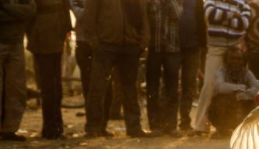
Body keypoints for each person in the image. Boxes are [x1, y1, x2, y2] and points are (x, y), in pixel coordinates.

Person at [83, 0, 151, 138]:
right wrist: (95, 43)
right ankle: (94, 127)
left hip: (130, 46)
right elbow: (89, 17)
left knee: (130, 89)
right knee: (98, 87)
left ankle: (134, 128)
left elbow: (143, 17)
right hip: (105, 45)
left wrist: (142, 43)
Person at [190, 0, 251, 136]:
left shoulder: (243, 2)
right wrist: (234, 15)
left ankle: (232, 125)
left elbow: (244, 24)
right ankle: (200, 126)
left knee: (235, 86)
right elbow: (211, 15)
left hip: (235, 48)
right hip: (215, 47)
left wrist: (222, 17)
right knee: (209, 84)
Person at [27, 0, 72, 140]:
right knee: (49, 87)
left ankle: (56, 127)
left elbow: (65, 7)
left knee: (56, 86)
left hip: (55, 35)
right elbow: (29, 14)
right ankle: (51, 128)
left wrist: (67, 28)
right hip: (42, 36)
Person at [146, 0, 183, 137]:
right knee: (152, 89)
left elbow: (178, 14)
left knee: (172, 90)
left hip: (173, 49)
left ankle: (171, 125)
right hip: (153, 48)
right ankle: (155, 126)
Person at [0, 0, 36, 141]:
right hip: (5, 41)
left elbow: (30, 11)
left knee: (16, 88)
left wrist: (5, 6)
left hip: (16, 42)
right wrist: (17, 14)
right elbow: (24, 13)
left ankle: (10, 129)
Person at [209, 47, 259, 137]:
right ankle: (222, 129)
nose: (235, 61)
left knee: (254, 102)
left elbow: (258, 88)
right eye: (232, 58)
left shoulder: (247, 73)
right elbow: (220, 87)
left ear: (243, 61)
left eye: (238, 59)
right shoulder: (221, 71)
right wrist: (242, 87)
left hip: (242, 103)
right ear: (226, 60)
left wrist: (239, 96)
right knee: (220, 100)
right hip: (226, 105)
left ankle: (245, 128)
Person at [178, 0, 207, 132]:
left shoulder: (198, 2)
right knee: (170, 85)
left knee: (188, 85)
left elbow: (201, 23)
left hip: (193, 47)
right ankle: (167, 122)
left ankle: (185, 121)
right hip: (172, 47)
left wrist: (202, 46)